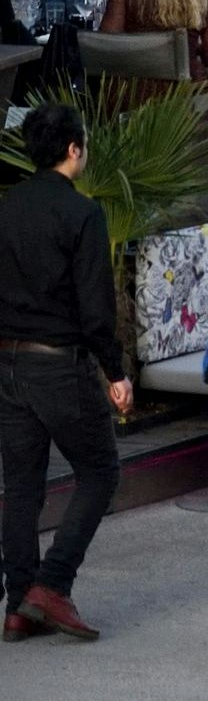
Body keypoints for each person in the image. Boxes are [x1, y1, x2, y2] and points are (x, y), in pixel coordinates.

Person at [0, 106, 119, 644]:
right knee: (99, 471)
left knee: (22, 485)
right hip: (59, 363)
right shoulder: (83, 214)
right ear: (75, 149)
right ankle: (52, 584)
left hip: (9, 360)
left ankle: (19, 602)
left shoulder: (6, 208)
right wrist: (116, 371)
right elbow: (96, 310)